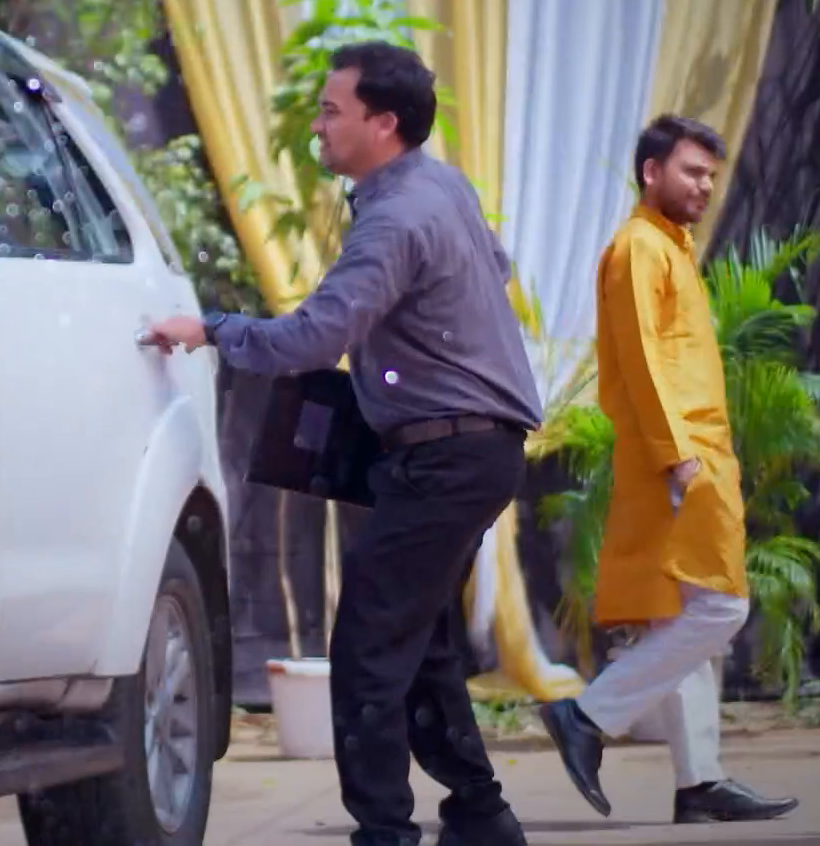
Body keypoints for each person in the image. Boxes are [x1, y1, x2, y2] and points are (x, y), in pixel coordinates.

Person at [144, 42, 542, 846]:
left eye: (332, 111)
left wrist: (209, 329)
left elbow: (313, 338)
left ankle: (386, 833)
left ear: (383, 123)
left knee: (367, 650)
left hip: (445, 457)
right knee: (421, 642)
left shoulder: (397, 217)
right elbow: (490, 272)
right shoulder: (441, 186)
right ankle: (480, 814)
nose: (319, 126)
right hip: (473, 450)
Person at [538, 115, 798, 825]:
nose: (705, 186)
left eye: (711, 175)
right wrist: (677, 458)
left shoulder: (671, 248)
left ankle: (699, 784)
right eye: (692, 171)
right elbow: (644, 363)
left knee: (676, 621)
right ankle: (587, 716)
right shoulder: (639, 247)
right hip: (678, 459)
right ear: (651, 172)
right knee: (721, 607)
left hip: (687, 454)